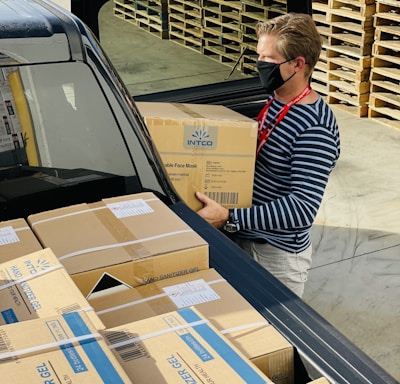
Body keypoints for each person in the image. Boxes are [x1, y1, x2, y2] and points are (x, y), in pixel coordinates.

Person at [195, 13, 340, 298]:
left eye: (268, 60)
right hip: (244, 237)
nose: (260, 65)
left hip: (274, 256)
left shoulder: (314, 128)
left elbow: (302, 208)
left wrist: (230, 217)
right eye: (258, 56)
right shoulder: (276, 99)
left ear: (298, 64)